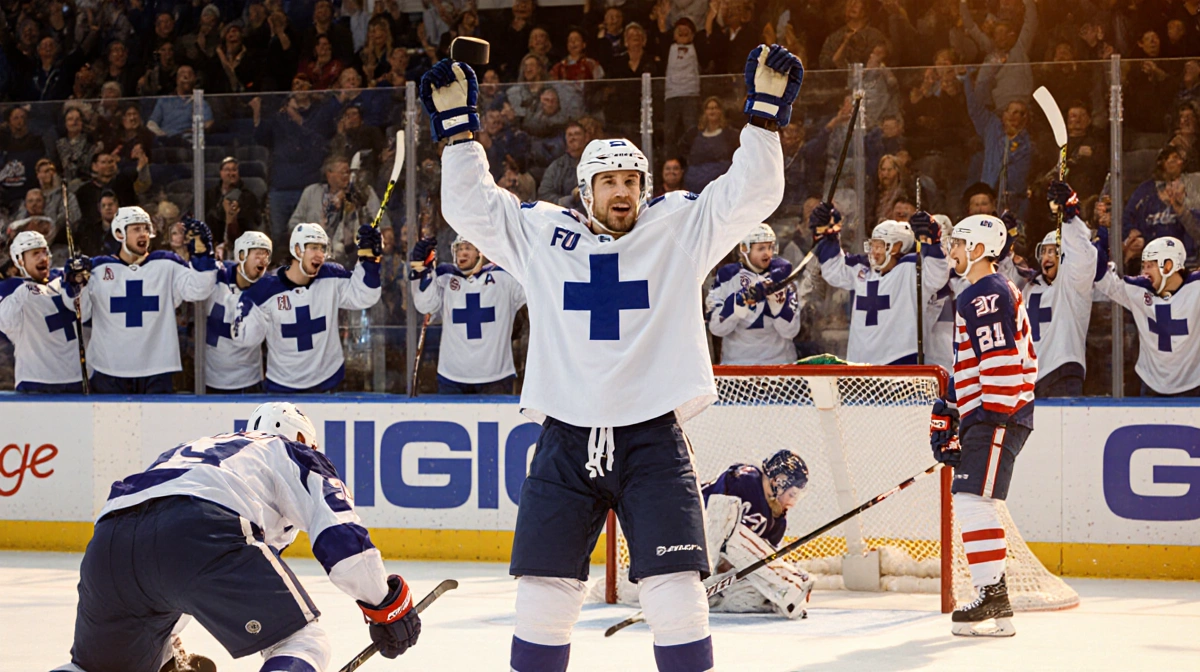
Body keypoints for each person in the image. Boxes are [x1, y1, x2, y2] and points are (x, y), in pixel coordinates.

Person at [421, 38, 797, 671]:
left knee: (677, 594)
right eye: (609, 182)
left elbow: (750, 195)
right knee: (544, 595)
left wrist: (761, 120)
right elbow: (470, 209)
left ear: (645, 187)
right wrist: (459, 138)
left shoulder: (678, 227)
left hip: (653, 439)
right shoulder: (543, 233)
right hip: (566, 438)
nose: (622, 192)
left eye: (631, 181)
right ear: (584, 189)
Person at [52, 402, 421, 672]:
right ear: (304, 439)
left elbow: (165, 564)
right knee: (303, 641)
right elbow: (341, 538)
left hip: (109, 538)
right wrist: (385, 604)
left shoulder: (196, 450)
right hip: (201, 524)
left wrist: (164, 647)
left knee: (92, 669)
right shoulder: (295, 452)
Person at [931, 212, 1037, 638]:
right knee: (974, 500)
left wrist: (985, 418)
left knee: (974, 500)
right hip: (992, 413)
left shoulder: (984, 294)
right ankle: (998, 609)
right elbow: (972, 362)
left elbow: (1002, 363)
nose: (951, 250)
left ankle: (992, 595)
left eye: (958, 243)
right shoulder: (980, 292)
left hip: (999, 414)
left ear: (977, 249)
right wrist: (951, 409)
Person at [77, 208, 217, 394]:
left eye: (145, 229)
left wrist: (204, 255)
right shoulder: (97, 269)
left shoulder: (167, 264)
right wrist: (73, 284)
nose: (143, 234)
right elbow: (81, 312)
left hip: (157, 370)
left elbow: (199, 290)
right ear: (119, 233)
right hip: (109, 370)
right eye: (136, 229)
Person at [232, 223, 382, 393]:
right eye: (313, 247)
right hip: (282, 388)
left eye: (322, 248)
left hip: (329, 383)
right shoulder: (264, 290)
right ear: (297, 250)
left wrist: (370, 261)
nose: (319, 254)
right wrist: (246, 310)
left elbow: (365, 296)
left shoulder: (332, 276)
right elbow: (244, 339)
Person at [813, 207, 950, 364]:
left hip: (901, 360)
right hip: (860, 365)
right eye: (873, 245)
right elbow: (833, 271)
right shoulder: (862, 269)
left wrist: (931, 242)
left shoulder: (912, 269)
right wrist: (828, 235)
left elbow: (938, 275)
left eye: (880, 246)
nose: (874, 252)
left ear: (896, 247)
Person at [1001, 182, 1097, 396]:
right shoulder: (1027, 285)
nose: (1047, 257)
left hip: (1062, 372)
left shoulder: (1074, 287)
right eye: (1044, 252)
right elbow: (998, 284)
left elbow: (1084, 255)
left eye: (1054, 251)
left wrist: (1070, 218)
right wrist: (1003, 245)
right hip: (1025, 378)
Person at [702, 449, 814, 618]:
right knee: (726, 512)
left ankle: (702, 601)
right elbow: (719, 525)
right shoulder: (745, 479)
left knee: (757, 596)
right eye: (791, 494)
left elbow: (745, 564)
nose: (792, 502)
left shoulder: (778, 523)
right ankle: (786, 581)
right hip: (687, 541)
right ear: (778, 482)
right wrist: (784, 577)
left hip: (714, 575)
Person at [410, 234, 527, 394]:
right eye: (459, 249)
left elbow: (536, 291)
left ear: (481, 252)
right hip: (451, 378)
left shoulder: (504, 277)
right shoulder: (444, 276)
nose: (462, 253)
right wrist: (423, 271)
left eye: (468, 248)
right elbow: (424, 305)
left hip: (496, 378)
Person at [1093, 236, 1200, 396]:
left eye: (1150, 266)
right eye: (1144, 266)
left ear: (1169, 265)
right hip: (1151, 385)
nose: (1144, 272)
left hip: (1193, 385)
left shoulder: (1196, 288)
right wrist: (1098, 254)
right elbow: (1106, 284)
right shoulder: (1139, 289)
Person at [0, 231, 88, 393]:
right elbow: (6, 323)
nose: (43, 258)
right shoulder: (10, 288)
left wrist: (83, 276)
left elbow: (87, 311)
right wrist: (22, 292)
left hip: (78, 378)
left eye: (44, 252)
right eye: (35, 254)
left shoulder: (63, 277)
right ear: (19, 260)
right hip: (36, 380)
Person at [706, 223, 800, 364]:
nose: (767, 253)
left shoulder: (783, 279)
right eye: (761, 248)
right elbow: (716, 328)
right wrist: (740, 302)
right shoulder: (727, 277)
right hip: (737, 366)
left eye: (770, 247)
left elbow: (790, 331)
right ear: (744, 249)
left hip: (778, 366)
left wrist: (777, 303)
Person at [204, 232, 273, 394]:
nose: (263, 259)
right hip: (210, 380)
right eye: (258, 254)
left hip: (249, 381)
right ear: (241, 255)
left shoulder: (268, 289)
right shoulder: (214, 277)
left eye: (266, 255)